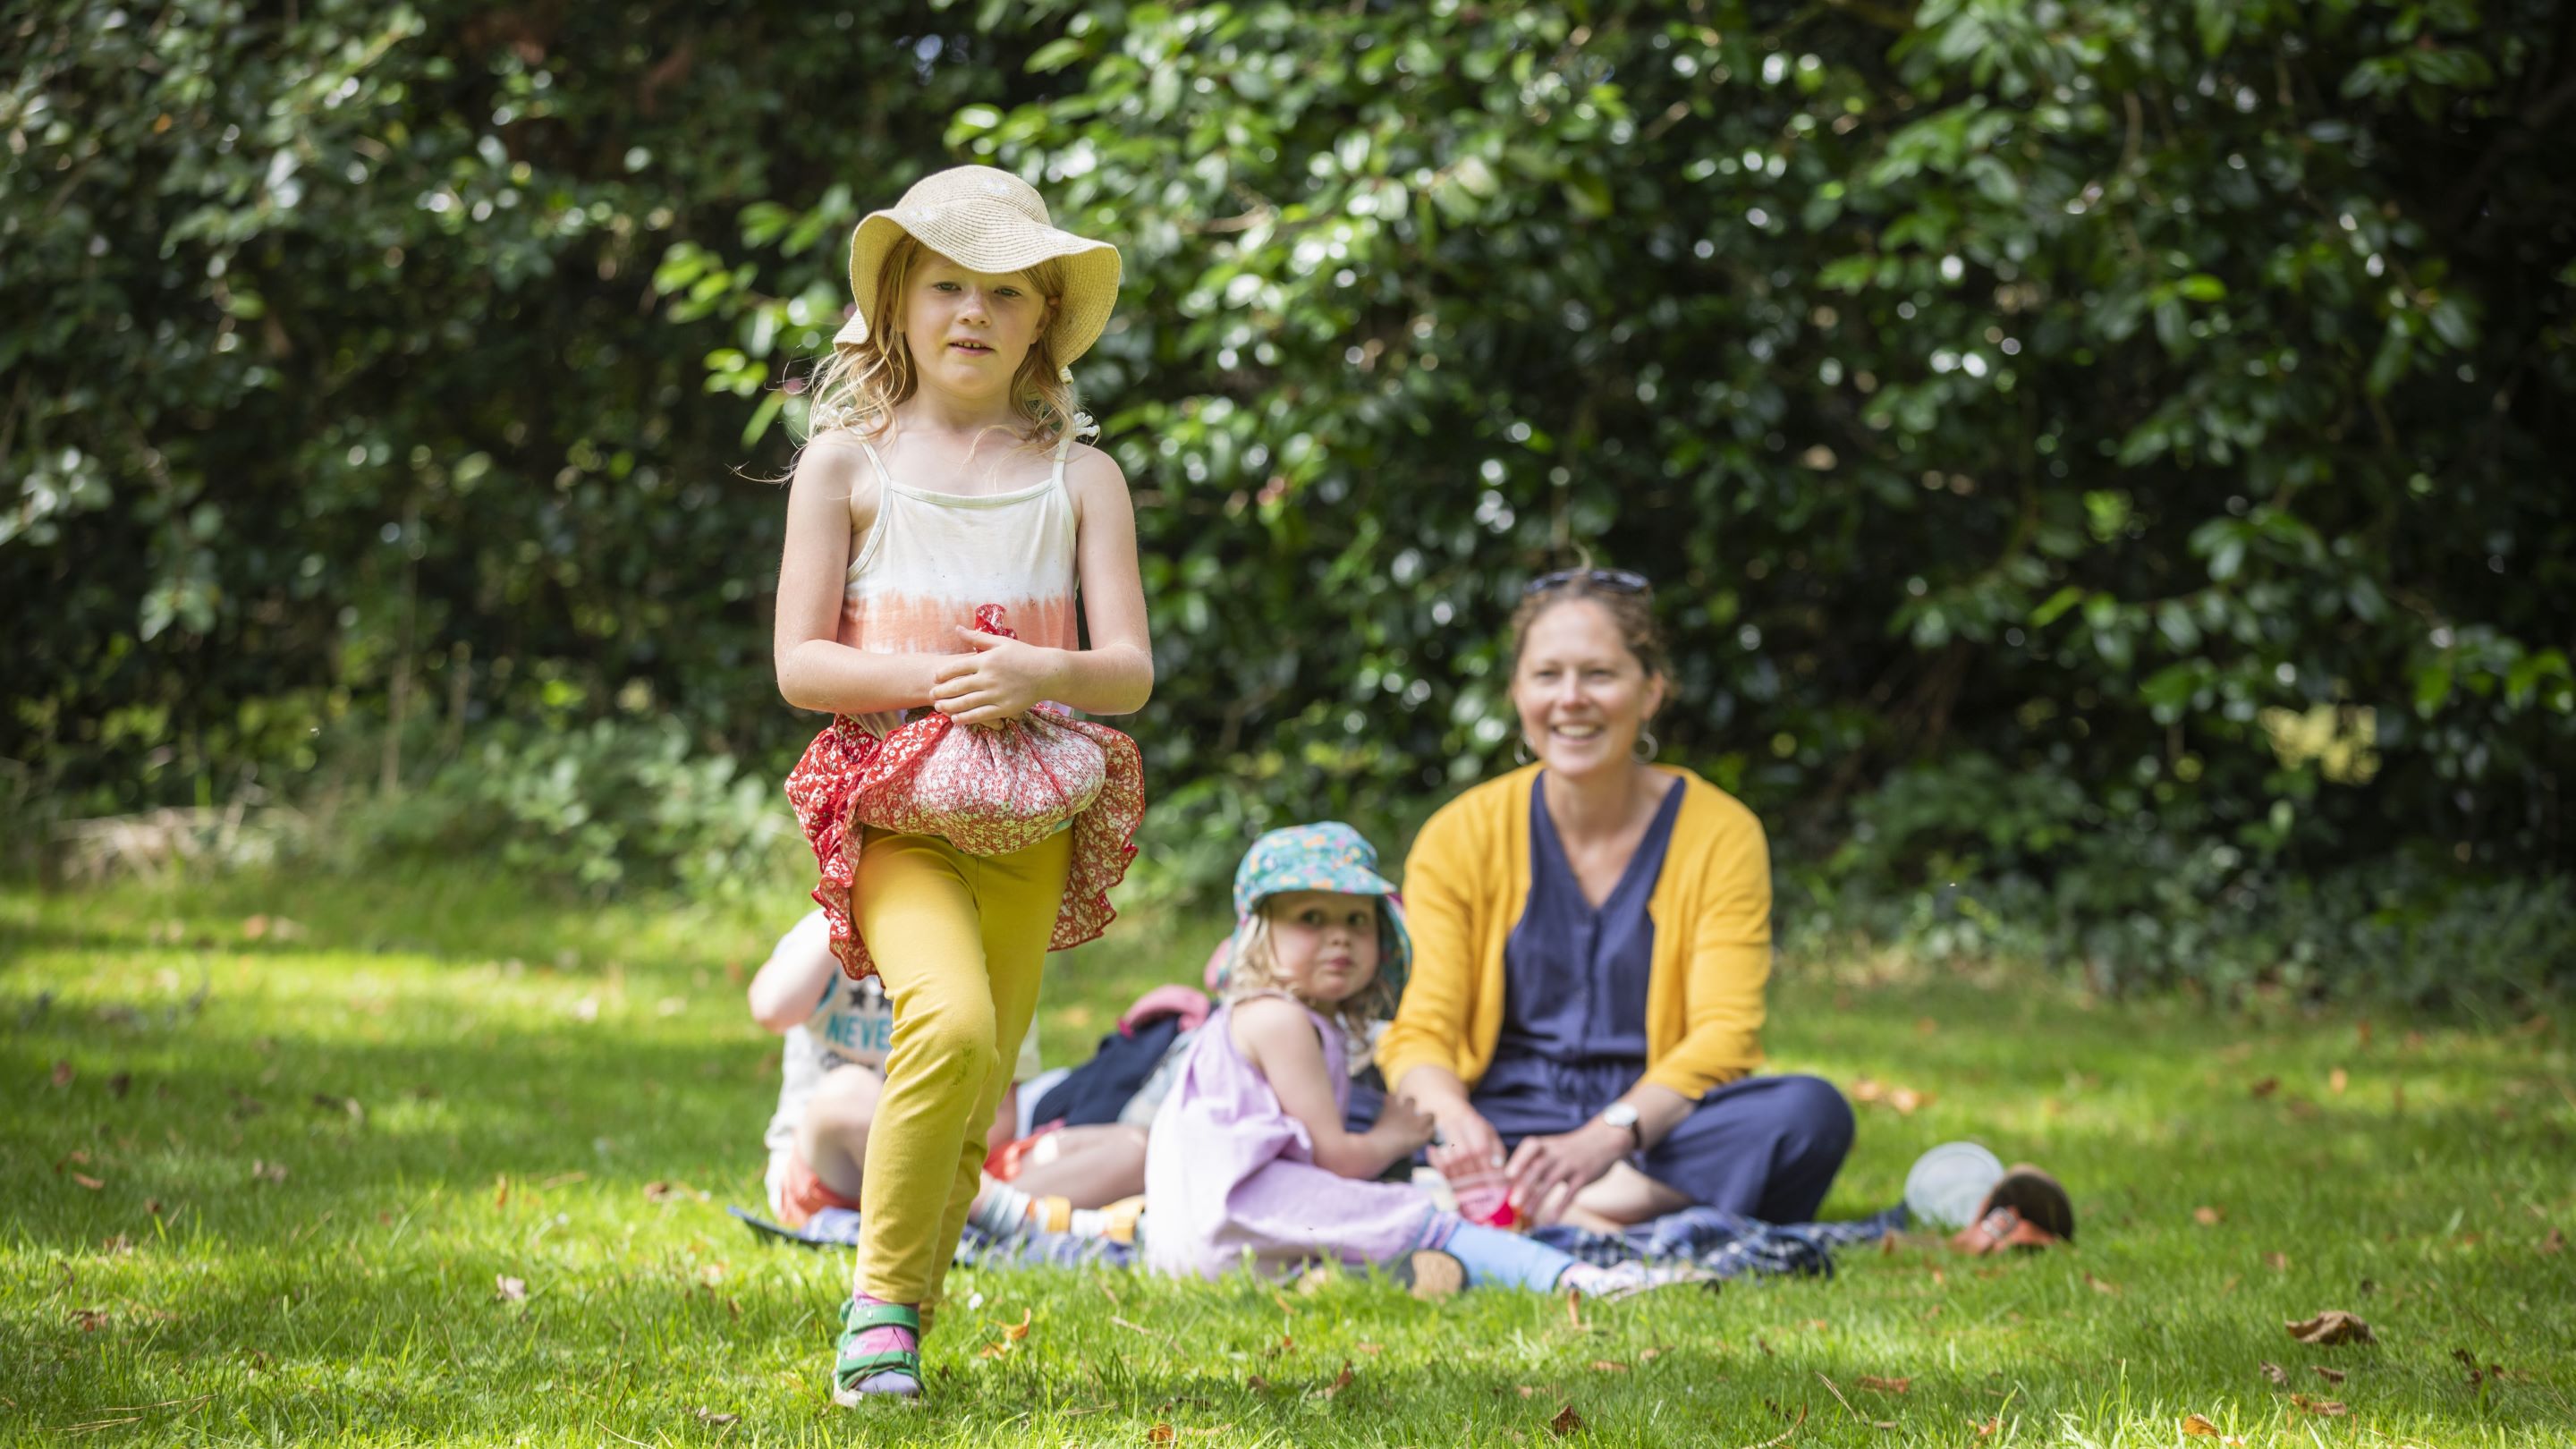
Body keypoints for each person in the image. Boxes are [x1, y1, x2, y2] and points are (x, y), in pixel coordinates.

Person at [772, 165, 1152, 1404]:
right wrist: (942, 673)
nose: (972, 313)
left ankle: (911, 1311)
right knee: (955, 1022)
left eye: (1004, 291)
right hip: (897, 801)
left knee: (980, 1079)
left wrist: (1044, 666)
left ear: (1044, 319)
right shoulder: (847, 464)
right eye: (946, 285)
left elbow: (1129, 672)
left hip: (1031, 810)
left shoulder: (1080, 477)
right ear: (899, 303)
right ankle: (879, 1305)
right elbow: (800, 663)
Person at [1379, 568, 1856, 1233]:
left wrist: (1608, 1135)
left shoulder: (1721, 833)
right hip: (1500, 1120)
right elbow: (1422, 1028)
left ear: (1651, 690)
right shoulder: (1459, 835)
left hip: (1649, 1130)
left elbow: (1725, 1035)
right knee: (1330, 1097)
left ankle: (1555, 1211)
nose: (1571, 699)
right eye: (1547, 676)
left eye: (1599, 674)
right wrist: (1456, 1120)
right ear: (1518, 692)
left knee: (1808, 1114)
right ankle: (1597, 1212)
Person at [1144, 823, 1712, 1298]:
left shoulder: (1286, 1018)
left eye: (1357, 921)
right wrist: (1393, 1135)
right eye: (1310, 919)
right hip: (1233, 1220)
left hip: (1214, 1233)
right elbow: (1337, 1162)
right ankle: (1577, 1279)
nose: (1339, 938)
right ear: (1260, 937)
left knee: (1397, 1229)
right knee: (1420, 1216)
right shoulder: (1280, 1020)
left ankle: (1390, 1276)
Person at [747, 909, 1142, 1238]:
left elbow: (1000, 1113)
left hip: (956, 1169)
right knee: (849, 1094)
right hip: (833, 1175)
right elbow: (771, 1008)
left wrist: (936, 1164)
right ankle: (1011, 1217)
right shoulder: (829, 928)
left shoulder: (989, 953)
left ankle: (969, 1213)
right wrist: (847, 908)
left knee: (1135, 1148)